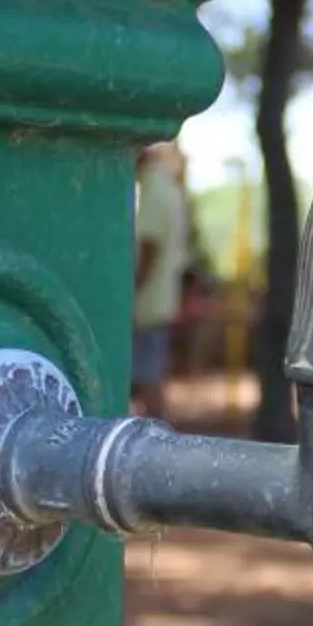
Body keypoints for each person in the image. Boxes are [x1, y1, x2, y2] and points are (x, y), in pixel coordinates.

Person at [131, 141, 191, 420]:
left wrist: (131, 293)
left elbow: (149, 247)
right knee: (150, 374)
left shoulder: (154, 188)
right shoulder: (170, 188)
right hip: (160, 300)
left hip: (146, 304)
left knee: (148, 378)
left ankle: (159, 442)